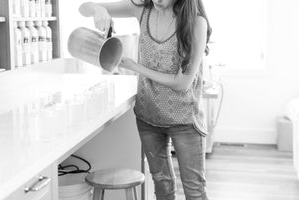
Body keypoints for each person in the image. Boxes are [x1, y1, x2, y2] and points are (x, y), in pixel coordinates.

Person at [79, 0, 212, 199]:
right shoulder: (141, 10)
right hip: (148, 117)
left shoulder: (196, 23)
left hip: (185, 120)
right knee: (162, 185)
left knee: (194, 190)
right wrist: (99, 9)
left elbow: (183, 83)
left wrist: (135, 67)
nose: (157, 0)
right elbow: (83, 7)